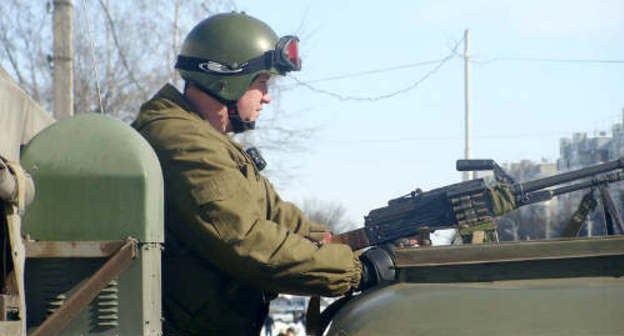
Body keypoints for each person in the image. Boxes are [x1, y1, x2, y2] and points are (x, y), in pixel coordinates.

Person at [132, 12, 394, 336]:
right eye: (261, 84)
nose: (266, 97)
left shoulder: (210, 142)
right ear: (227, 79)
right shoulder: (182, 143)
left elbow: (282, 220)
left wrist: (366, 240)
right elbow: (247, 241)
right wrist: (355, 272)